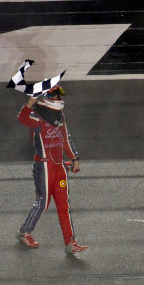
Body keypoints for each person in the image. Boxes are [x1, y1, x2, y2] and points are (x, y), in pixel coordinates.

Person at [16, 85, 88, 255]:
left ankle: (71, 242)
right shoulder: (36, 117)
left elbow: (65, 138)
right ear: (45, 98)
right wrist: (29, 104)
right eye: (55, 95)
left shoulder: (60, 116)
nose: (59, 98)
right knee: (43, 202)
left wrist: (75, 158)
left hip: (59, 166)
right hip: (44, 166)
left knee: (64, 205)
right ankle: (24, 232)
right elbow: (21, 118)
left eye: (59, 95)